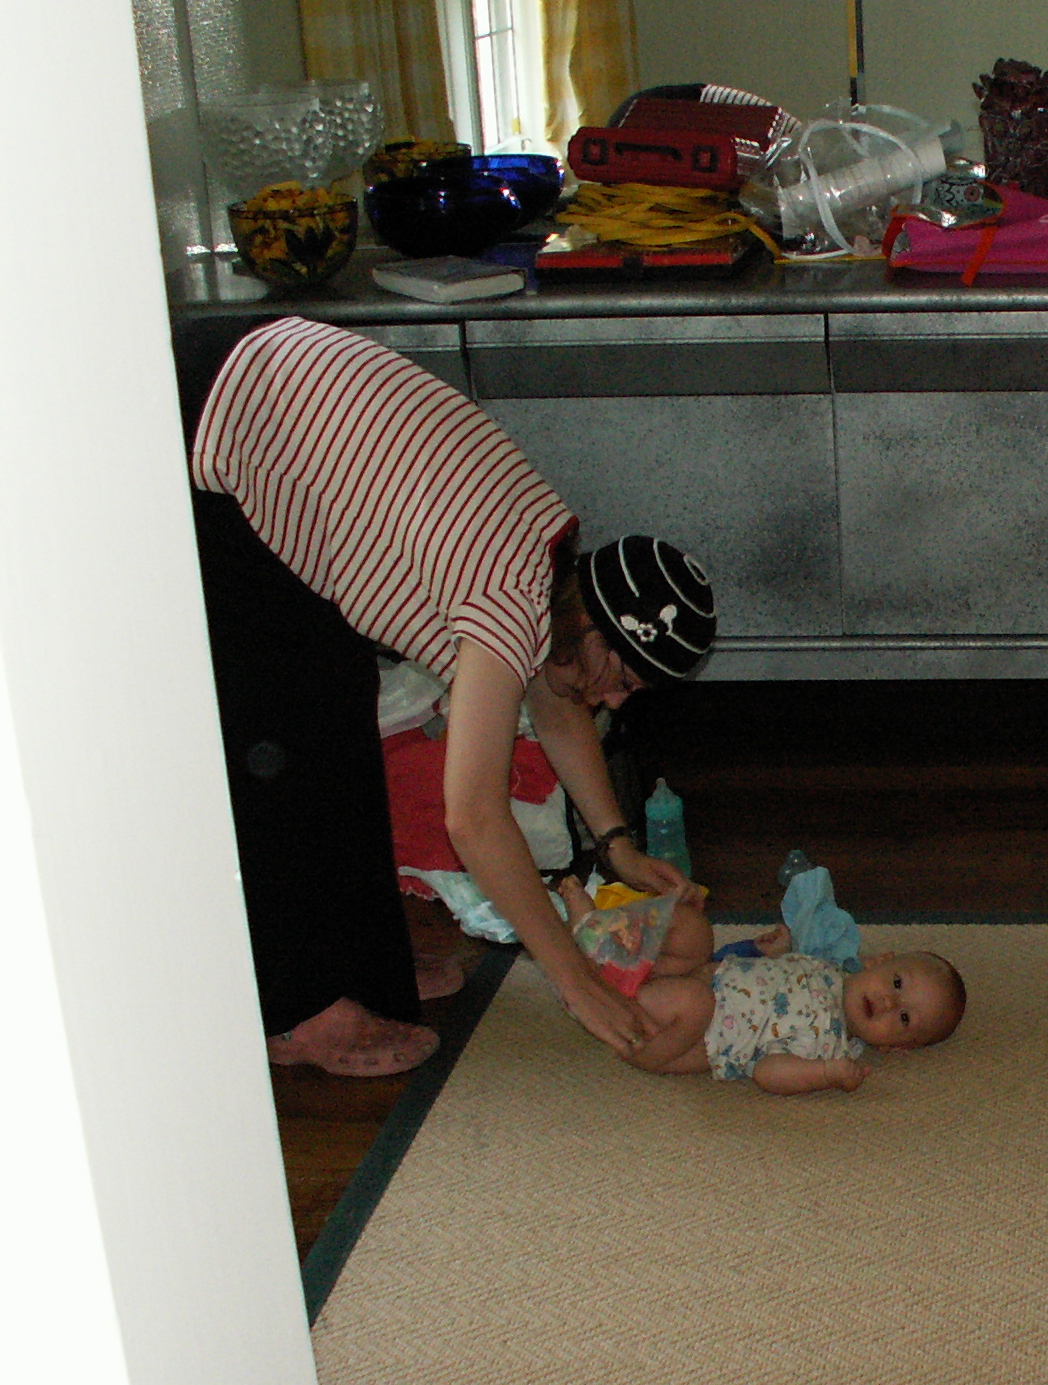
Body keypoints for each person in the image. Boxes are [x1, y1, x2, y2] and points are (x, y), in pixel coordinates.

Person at [185, 315, 718, 1078]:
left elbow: (552, 696)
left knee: (343, 704)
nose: (614, 702)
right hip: (214, 420)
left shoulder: (550, 564)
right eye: (622, 679)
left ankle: (363, 965)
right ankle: (300, 1009)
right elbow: (473, 818)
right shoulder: (508, 599)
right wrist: (577, 983)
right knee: (283, 742)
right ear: (595, 626)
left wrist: (616, 844)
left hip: (272, 396)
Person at [564, 882, 965, 1094]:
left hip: (677, 1039)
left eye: (904, 1018)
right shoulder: (827, 966)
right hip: (700, 974)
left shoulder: (831, 1045)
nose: (890, 1001)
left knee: (697, 1002)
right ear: (877, 961)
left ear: (895, 1047)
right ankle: (599, 935)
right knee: (693, 929)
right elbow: (762, 976)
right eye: (896, 983)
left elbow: (767, 1072)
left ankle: (600, 986)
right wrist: (763, 951)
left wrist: (825, 1074)